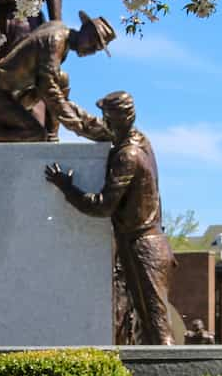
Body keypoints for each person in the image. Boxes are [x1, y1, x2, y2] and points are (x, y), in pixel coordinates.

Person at [43, 91, 180, 345]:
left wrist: (66, 187)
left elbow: (103, 206)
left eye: (106, 117)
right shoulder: (140, 141)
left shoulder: (127, 156)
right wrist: (60, 103)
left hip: (143, 249)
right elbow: (92, 128)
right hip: (147, 244)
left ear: (116, 119)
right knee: (145, 327)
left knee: (157, 328)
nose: (103, 122)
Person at [0, 11, 115, 143]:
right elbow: (49, 91)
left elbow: (57, 93)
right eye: (92, 42)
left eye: (97, 49)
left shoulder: (60, 32)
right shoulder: (56, 40)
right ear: (84, 28)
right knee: (35, 133)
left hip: (14, 96)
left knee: (62, 78)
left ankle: (52, 137)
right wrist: (81, 128)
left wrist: (91, 123)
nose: (91, 50)